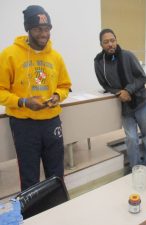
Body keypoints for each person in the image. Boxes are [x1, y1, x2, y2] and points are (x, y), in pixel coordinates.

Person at [0, 5, 72, 191]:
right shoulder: (9, 54)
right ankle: (33, 216)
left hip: (51, 121)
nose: (44, 34)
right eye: (38, 29)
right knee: (29, 174)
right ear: (28, 29)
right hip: (24, 124)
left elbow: (65, 86)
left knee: (56, 173)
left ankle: (58, 210)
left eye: (47, 29)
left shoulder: (56, 57)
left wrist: (57, 96)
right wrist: (23, 102)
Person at [94, 28, 146, 170]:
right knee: (132, 138)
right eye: (106, 42)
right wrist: (119, 93)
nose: (110, 44)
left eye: (112, 40)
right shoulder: (98, 62)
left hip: (141, 102)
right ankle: (135, 167)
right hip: (125, 106)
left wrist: (129, 90)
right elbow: (104, 84)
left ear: (116, 40)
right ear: (101, 45)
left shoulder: (128, 56)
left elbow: (142, 77)